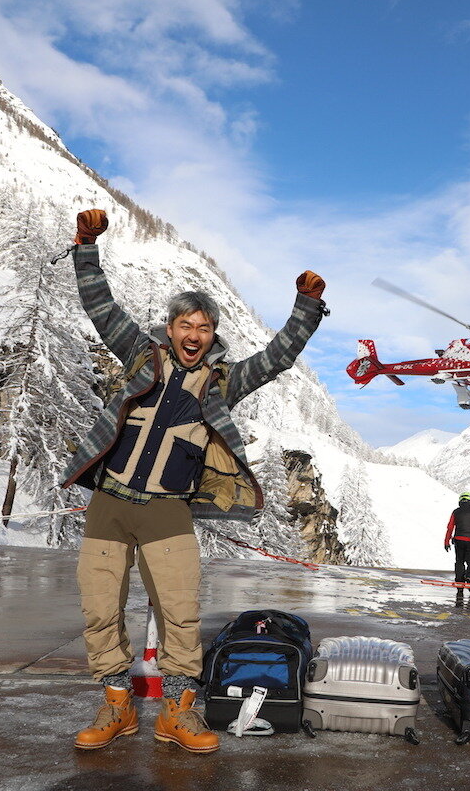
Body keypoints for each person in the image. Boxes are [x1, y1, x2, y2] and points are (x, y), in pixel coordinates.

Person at [63, 210, 327, 752]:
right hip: (110, 503)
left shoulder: (224, 383)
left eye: (204, 328)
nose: (194, 334)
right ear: (171, 329)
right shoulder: (141, 356)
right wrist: (86, 245)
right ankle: (117, 706)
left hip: (166, 511)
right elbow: (101, 305)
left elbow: (278, 357)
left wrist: (306, 308)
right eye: (186, 325)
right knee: (99, 607)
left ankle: (175, 714)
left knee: (181, 612)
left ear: (211, 337)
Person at [444, 492, 470, 588]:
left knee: (459, 561)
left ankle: (459, 579)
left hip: (458, 539)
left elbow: (450, 528)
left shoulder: (456, 512)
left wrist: (446, 541)